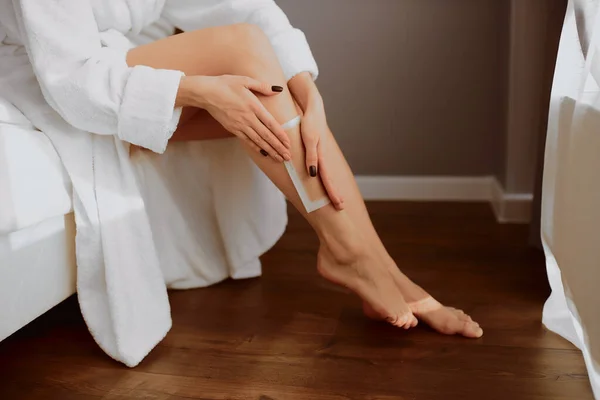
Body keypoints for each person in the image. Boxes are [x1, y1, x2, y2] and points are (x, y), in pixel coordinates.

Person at [0, 0, 481, 363]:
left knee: (273, 90)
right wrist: (195, 90)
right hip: (57, 87)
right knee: (242, 50)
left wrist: (308, 97)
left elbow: (245, 3)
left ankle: (382, 268)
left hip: (119, 66)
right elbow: (68, 78)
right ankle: (349, 255)